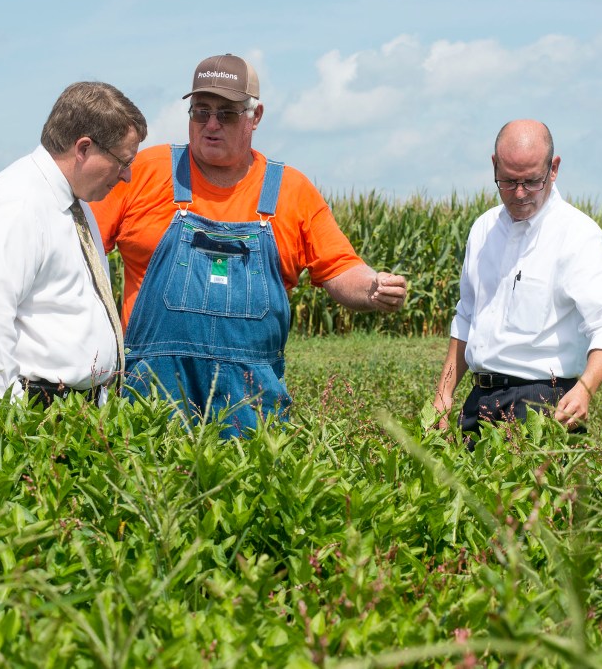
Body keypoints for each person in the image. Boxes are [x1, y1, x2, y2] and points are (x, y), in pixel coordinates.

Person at [92, 53, 407, 435]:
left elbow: (340, 268)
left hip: (252, 404)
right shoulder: (143, 171)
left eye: (226, 114)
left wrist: (373, 288)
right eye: (200, 112)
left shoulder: (291, 191)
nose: (210, 125)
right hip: (151, 397)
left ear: (255, 117)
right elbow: (82, 256)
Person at [0, 81, 148, 425]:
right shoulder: (17, 204)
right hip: (13, 414)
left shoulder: (76, 205)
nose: (127, 176)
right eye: (123, 161)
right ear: (84, 148)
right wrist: (16, 425)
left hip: (54, 413)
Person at [432, 119, 602, 440]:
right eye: (508, 181)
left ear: (554, 168)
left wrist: (585, 390)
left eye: (532, 181)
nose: (520, 193)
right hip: (479, 402)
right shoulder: (483, 230)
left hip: (545, 405)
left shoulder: (578, 236)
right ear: (494, 165)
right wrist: (443, 394)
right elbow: (466, 317)